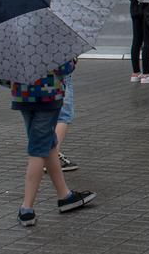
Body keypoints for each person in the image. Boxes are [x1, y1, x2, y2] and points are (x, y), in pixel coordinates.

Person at [8, 61, 96, 226]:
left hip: (22, 96)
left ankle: (65, 195)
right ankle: (26, 208)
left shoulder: (15, 41)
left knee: (47, 143)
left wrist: (15, 82)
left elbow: (4, 73)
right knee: (38, 149)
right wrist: (72, 61)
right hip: (48, 95)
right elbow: (64, 68)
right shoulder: (49, 37)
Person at [54, 74, 79, 171]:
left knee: (41, 116)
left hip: (33, 77)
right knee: (63, 115)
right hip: (58, 74)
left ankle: (42, 156)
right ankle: (52, 157)